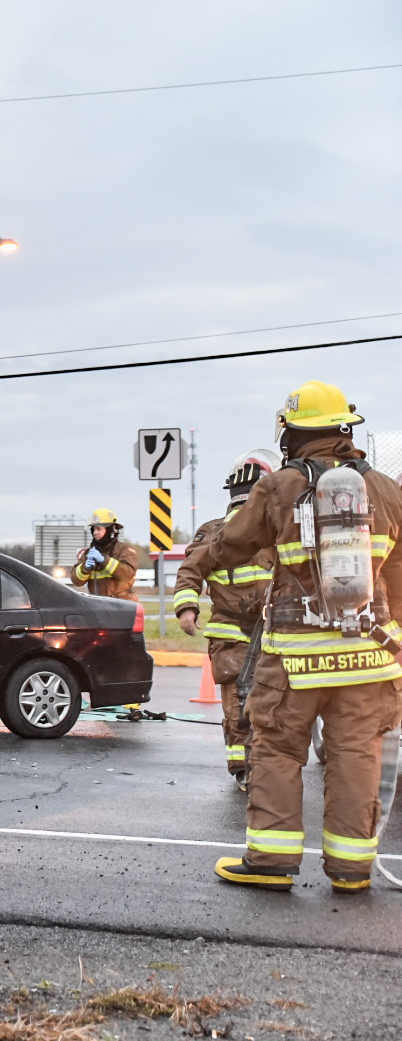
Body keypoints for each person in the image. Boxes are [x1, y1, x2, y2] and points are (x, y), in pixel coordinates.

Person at [206, 381, 402, 894]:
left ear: (292, 432)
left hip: (295, 662)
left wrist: (203, 558)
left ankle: (271, 862)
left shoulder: (280, 486)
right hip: (370, 660)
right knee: (357, 756)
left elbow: (232, 543)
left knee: (277, 750)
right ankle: (352, 871)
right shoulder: (385, 489)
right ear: (344, 428)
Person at [173, 449, 278, 788]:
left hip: (275, 631)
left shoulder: (278, 531)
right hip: (231, 631)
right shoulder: (215, 532)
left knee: (273, 702)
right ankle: (244, 768)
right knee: (237, 702)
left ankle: (267, 766)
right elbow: (190, 572)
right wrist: (186, 608)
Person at [68, 509, 140, 602]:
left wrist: (104, 560)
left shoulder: (125, 550)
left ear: (111, 530)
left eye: (98, 529)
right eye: (94, 529)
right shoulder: (89, 554)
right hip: (98, 604)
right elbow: (76, 581)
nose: (95, 532)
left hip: (123, 604)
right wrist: (85, 568)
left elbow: (128, 574)